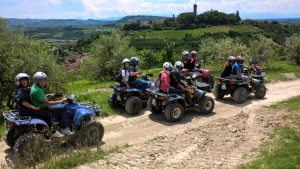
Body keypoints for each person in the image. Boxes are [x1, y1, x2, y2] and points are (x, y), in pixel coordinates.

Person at [13, 73, 63, 138]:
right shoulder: (20, 91)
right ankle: (53, 132)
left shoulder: (25, 88)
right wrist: (33, 107)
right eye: (22, 80)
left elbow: (33, 94)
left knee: (44, 113)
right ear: (19, 82)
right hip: (26, 110)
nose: (25, 82)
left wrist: (48, 95)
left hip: (26, 109)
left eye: (26, 80)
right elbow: (23, 102)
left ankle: (43, 129)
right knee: (48, 115)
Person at [30, 72, 73, 136]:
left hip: (39, 106)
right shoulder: (37, 90)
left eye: (44, 80)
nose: (43, 82)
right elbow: (47, 103)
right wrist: (61, 101)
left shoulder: (34, 87)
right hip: (43, 108)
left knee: (58, 106)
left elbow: (40, 97)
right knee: (63, 107)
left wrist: (50, 95)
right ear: (36, 80)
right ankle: (64, 128)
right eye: (41, 80)